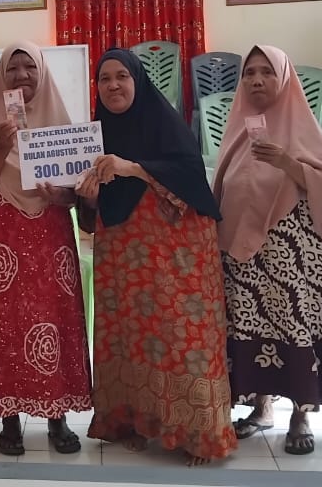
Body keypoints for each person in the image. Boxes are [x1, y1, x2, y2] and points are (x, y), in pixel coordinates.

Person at [75, 48, 235, 466]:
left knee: (181, 334)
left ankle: (199, 432)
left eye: (121, 77)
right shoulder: (96, 136)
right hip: (123, 255)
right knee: (130, 335)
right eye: (104, 78)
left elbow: (188, 178)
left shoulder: (167, 126)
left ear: (139, 81)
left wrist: (131, 168)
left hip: (175, 255)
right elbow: (93, 209)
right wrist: (87, 198)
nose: (112, 85)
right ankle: (136, 421)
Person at [0, 41, 92, 457]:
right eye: (12, 68)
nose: (21, 75)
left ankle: (57, 417)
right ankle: (9, 420)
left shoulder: (60, 123)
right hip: (2, 235)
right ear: (2, 77)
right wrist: (1, 145)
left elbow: (77, 192)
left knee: (54, 318)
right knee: (6, 323)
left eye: (29, 67)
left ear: (42, 72)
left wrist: (63, 195)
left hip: (49, 235)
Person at [212, 46, 322, 456]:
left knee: (294, 324)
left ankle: (300, 414)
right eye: (249, 72)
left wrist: (289, 164)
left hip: (294, 255)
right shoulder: (237, 129)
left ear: (284, 78)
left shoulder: (304, 131)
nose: (256, 80)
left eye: (267, 72)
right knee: (250, 324)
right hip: (244, 255)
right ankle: (261, 406)